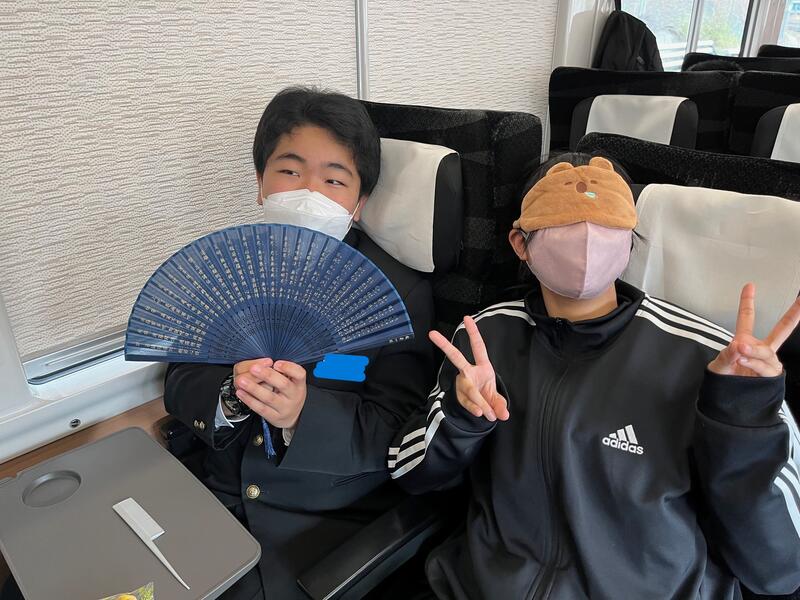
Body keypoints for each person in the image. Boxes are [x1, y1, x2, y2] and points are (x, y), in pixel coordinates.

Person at [388, 153, 800, 599]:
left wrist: (741, 417)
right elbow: (411, 473)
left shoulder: (715, 358)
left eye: (603, 224)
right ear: (521, 243)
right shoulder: (486, 336)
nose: (585, 238)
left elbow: (780, 569)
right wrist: (461, 417)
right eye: (564, 221)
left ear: (628, 241)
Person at [164, 87, 435, 599]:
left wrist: (303, 415)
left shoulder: (398, 293)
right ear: (260, 184)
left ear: (358, 203)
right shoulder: (225, 267)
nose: (309, 192)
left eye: (334, 180)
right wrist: (228, 396)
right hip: (211, 498)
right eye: (290, 171)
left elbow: (398, 425)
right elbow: (179, 378)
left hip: (313, 525)